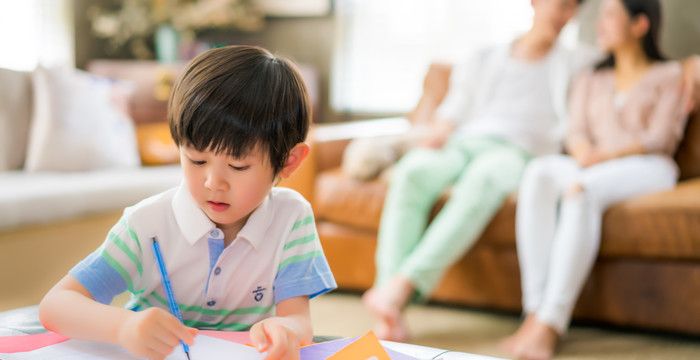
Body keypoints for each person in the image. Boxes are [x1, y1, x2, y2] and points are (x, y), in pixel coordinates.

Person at [38, 45, 337, 360]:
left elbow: (299, 321)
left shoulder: (291, 218)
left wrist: (285, 330)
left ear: (288, 162)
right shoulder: (147, 224)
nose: (213, 183)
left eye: (238, 167)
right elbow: (56, 305)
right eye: (196, 160)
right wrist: (124, 327)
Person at [362, 0, 596, 341]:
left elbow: (629, 59)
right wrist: (435, 135)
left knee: (483, 180)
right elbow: (453, 112)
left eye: (573, 9)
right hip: (464, 143)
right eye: (560, 6)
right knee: (412, 172)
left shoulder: (576, 62)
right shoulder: (486, 57)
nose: (566, 16)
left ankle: (402, 286)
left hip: (517, 153)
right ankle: (389, 302)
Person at [504, 1, 690, 359]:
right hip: (592, 162)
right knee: (539, 173)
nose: (599, 24)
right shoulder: (591, 76)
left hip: (648, 166)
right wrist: (583, 151)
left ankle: (550, 324)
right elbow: (575, 130)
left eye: (609, 16)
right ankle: (533, 311)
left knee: (581, 190)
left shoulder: (669, 76)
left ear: (639, 25)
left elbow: (660, 138)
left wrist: (601, 157)